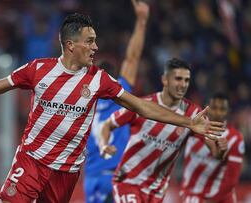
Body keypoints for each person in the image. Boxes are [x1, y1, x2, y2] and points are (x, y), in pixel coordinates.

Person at [0, 11, 224, 203]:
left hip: (67, 172)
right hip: (31, 160)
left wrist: (187, 122)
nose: (95, 47)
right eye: (90, 41)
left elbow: (142, 106)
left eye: (96, 41)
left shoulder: (100, 80)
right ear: (71, 44)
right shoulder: (38, 70)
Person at [99, 58, 226, 203]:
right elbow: (107, 124)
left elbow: (216, 153)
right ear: (165, 80)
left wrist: (221, 150)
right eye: (178, 79)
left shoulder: (194, 115)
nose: (183, 85)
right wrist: (104, 145)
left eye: (186, 80)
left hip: (157, 191)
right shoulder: (144, 106)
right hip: (128, 182)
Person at [84, 0, 149, 202]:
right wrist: (141, 21)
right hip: (114, 176)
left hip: (91, 178)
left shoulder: (83, 99)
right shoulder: (119, 91)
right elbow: (132, 58)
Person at [180, 93, 244, 203]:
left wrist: (213, 201)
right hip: (192, 195)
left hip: (220, 198)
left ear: (228, 111)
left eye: (222, 109)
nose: (218, 112)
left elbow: (231, 179)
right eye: (214, 108)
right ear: (206, 107)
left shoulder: (235, 138)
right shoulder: (194, 126)